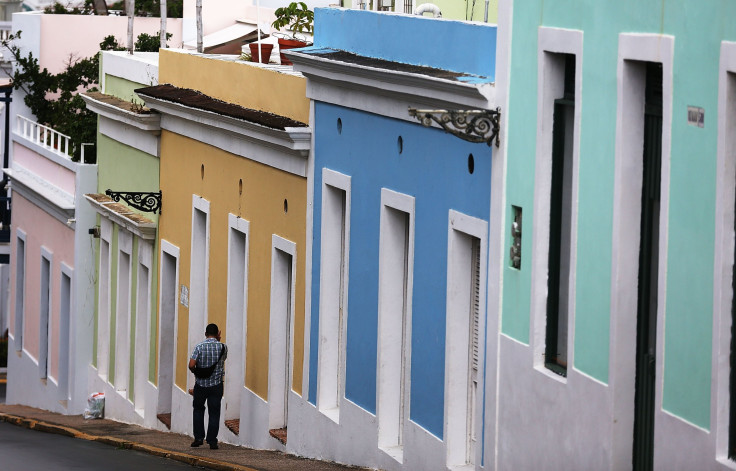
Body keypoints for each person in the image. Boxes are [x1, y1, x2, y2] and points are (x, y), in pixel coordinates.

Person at [188, 323, 227, 449]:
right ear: (218, 334)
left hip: (200, 384)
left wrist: (197, 372)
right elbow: (222, 360)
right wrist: (219, 342)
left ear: (205, 334)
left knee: (198, 409)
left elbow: (191, 365)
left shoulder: (199, 347)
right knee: (214, 412)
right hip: (216, 385)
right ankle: (212, 440)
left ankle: (199, 438)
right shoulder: (223, 347)